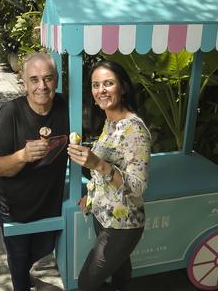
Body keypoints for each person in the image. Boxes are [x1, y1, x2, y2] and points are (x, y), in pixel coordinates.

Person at [67, 60, 151, 291]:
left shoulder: (135, 130)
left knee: (87, 282)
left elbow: (138, 186)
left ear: (122, 87)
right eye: (96, 85)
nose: (101, 90)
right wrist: (91, 197)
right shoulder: (110, 120)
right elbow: (105, 171)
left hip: (123, 224)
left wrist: (98, 164)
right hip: (103, 214)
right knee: (120, 273)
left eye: (108, 83)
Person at [0, 52, 69, 291]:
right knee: (19, 258)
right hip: (13, 206)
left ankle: (25, 274)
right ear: (24, 82)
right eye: (34, 80)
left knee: (44, 247)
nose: (42, 86)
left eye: (48, 79)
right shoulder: (10, 112)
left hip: (48, 202)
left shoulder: (66, 105)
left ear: (56, 80)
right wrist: (22, 155)